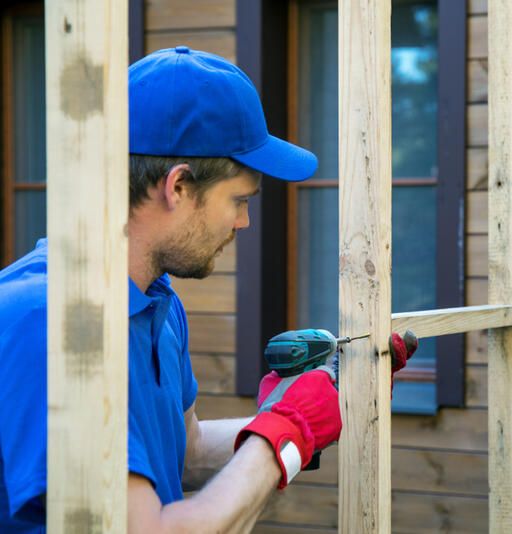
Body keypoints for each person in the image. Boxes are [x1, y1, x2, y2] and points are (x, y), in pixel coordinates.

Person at [0, 47, 414, 533]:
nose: (244, 221)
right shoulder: (49, 321)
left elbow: (187, 452)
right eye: (238, 200)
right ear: (177, 187)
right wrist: (284, 434)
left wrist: (305, 407)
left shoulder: (157, 302)